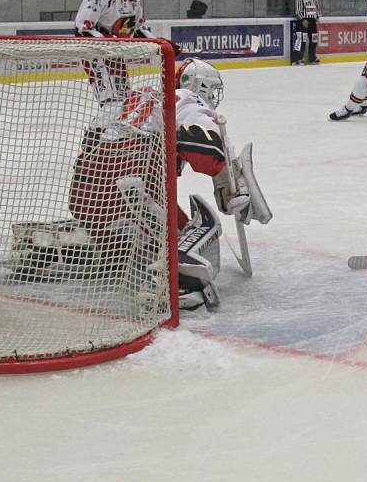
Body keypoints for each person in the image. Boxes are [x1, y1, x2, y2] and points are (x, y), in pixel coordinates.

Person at [62, 59, 270, 312]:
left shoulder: (139, 96)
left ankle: (74, 245)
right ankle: (181, 280)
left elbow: (94, 136)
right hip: (132, 183)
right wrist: (230, 184)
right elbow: (202, 148)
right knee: (202, 226)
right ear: (200, 84)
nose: (213, 96)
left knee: (134, 244)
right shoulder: (187, 98)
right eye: (212, 89)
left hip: (85, 193)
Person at [292, 0, 321, 65]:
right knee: (301, 40)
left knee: (314, 40)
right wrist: (302, 19)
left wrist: (317, 16)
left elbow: (316, 7)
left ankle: (312, 58)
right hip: (302, 21)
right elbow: (297, 10)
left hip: (312, 21)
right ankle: (297, 59)